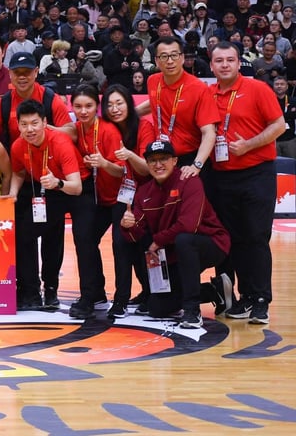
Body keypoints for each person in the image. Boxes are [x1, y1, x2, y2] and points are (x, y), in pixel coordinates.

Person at [205, 42, 284, 324]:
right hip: (221, 177)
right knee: (231, 240)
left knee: (256, 237)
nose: (225, 65)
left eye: (230, 60)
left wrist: (248, 145)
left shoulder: (258, 89)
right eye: (219, 61)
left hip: (256, 173)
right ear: (211, 65)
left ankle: (260, 299)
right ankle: (240, 298)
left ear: (239, 63)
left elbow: (279, 125)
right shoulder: (207, 94)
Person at [120, 140, 231, 327]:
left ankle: (192, 311)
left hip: (211, 243)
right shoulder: (143, 193)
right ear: (147, 164)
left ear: (174, 161)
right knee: (158, 308)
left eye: (163, 159)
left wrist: (157, 241)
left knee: (184, 240)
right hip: (173, 252)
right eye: (152, 160)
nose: (158, 164)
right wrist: (127, 225)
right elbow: (137, 233)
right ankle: (214, 290)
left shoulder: (189, 181)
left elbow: (189, 226)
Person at [5, 98, 86, 312]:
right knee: (27, 234)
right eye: (24, 124)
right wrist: (12, 193)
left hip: (74, 188)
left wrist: (58, 183)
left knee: (63, 237)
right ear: (18, 125)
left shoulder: (60, 142)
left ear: (44, 122)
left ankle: (50, 290)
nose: (29, 129)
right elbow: (18, 171)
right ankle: (33, 292)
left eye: (34, 123)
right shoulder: (18, 145)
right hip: (48, 190)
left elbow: (76, 187)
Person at [66, 84, 126, 319]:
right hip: (98, 196)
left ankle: (125, 299)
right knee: (84, 239)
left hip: (120, 195)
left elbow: (122, 172)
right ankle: (93, 295)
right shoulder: (78, 128)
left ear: (97, 107)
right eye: (78, 106)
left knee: (123, 246)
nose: (83, 111)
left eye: (88, 106)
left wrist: (103, 163)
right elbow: (56, 131)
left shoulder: (109, 131)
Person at [101, 84, 157, 317]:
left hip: (148, 197)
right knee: (120, 244)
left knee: (145, 247)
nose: (114, 109)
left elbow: (149, 169)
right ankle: (121, 299)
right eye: (110, 104)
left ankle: (151, 293)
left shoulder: (144, 127)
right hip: (120, 197)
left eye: (119, 103)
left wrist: (130, 155)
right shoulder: (104, 129)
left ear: (129, 104)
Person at [140, 37, 217, 176]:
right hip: (161, 156)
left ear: (182, 58)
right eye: (164, 56)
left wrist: (196, 165)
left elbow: (209, 132)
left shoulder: (199, 88)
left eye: (174, 55)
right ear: (156, 61)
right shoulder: (152, 81)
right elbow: (155, 102)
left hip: (189, 159)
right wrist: (130, 113)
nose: (170, 61)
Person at [0, 51, 72, 149]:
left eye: (27, 72)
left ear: (36, 72)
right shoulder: (3, 104)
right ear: (10, 73)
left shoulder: (51, 99)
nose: (22, 76)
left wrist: (44, 129)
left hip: (49, 158)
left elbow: (72, 134)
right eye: (17, 72)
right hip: (17, 159)